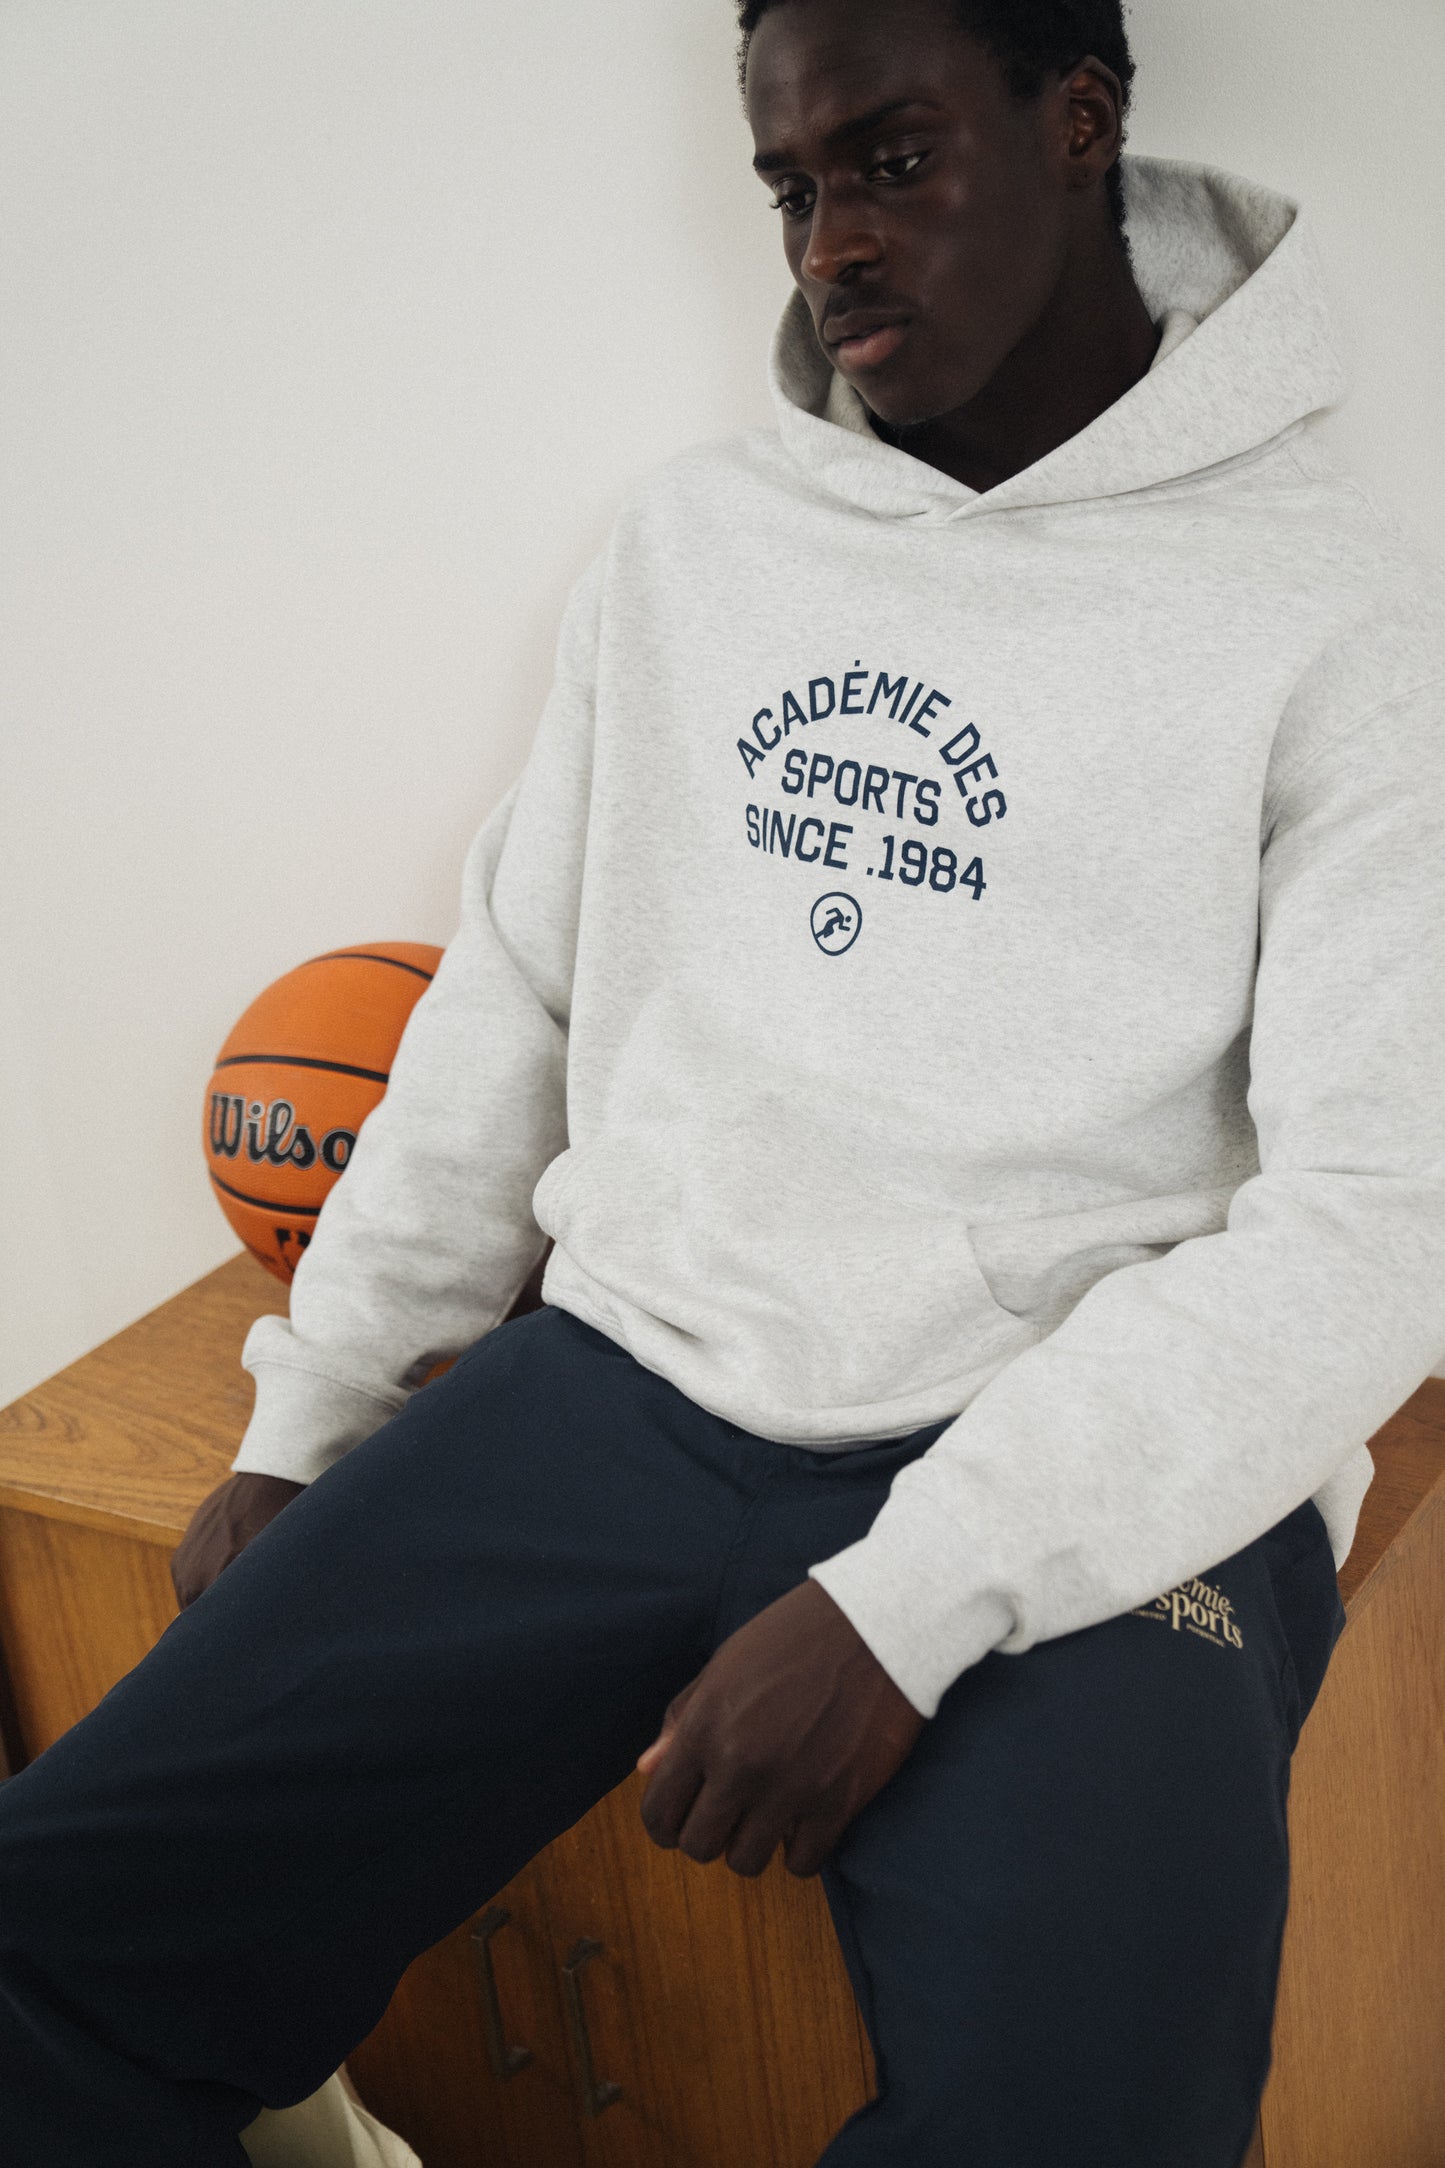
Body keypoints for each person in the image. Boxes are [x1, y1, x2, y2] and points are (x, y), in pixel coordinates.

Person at [3, 1, 1444, 2162]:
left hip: (1080, 1440)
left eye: (894, 162)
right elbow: (516, 990)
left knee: (1090, 2116)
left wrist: (906, 1602)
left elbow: (1378, 1222)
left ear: (1077, 121)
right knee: (44, 1944)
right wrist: (321, 1411)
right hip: (631, 1375)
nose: (830, 242)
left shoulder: (1342, 621)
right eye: (790, 188)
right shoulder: (692, 550)